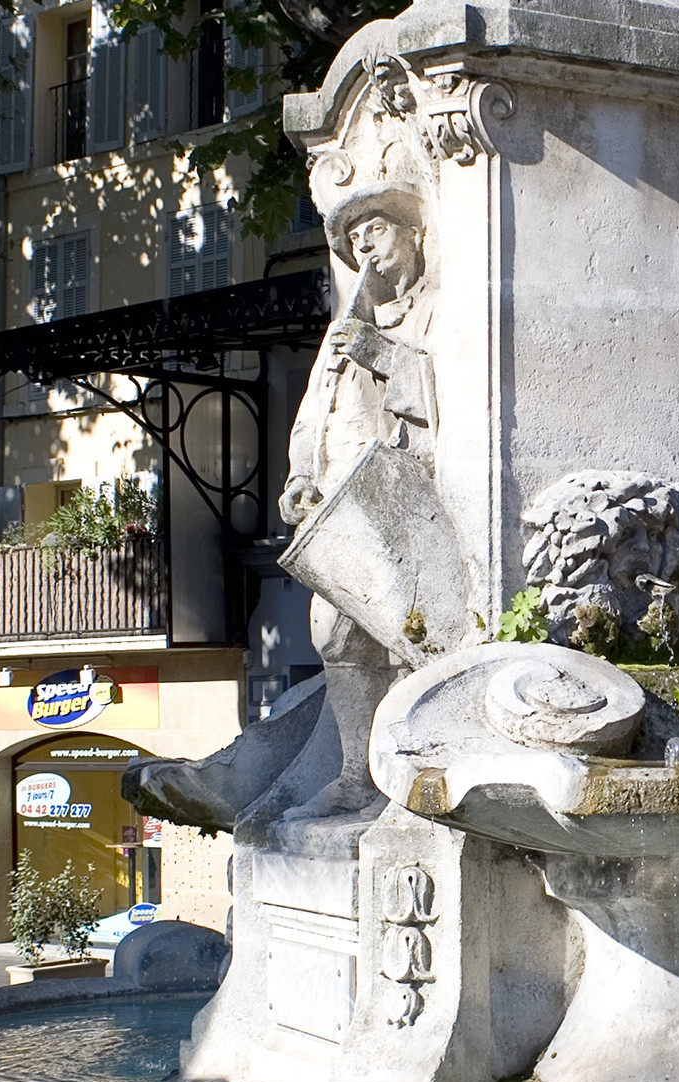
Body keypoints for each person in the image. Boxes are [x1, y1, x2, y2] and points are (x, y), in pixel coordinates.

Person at [279, 183, 437, 818]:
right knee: (336, 638)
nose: (362, 246)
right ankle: (355, 775)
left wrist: (381, 355)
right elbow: (311, 416)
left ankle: (406, 775)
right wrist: (298, 476)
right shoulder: (344, 330)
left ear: (414, 235)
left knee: (404, 634)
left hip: (396, 499)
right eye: (351, 240)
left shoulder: (433, 309)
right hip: (337, 508)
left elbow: (451, 397)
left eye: (374, 229)